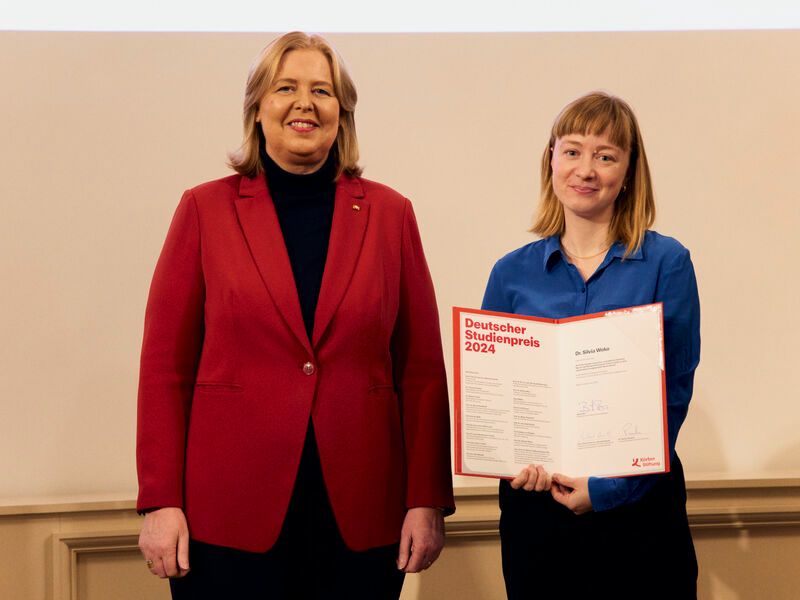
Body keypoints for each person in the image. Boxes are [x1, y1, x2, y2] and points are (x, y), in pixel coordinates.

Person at [136, 32, 454, 600]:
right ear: (258, 108)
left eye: (322, 91)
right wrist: (161, 501)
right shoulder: (203, 210)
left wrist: (425, 499)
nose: (304, 103)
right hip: (226, 517)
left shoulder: (390, 214)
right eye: (286, 88)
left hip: (360, 518)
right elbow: (165, 367)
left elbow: (422, 371)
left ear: (342, 113)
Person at [481, 91, 700, 599]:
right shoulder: (510, 273)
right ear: (551, 160)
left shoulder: (667, 262)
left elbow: (675, 392)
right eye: (573, 150)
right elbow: (495, 392)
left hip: (638, 509)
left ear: (628, 171)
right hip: (536, 512)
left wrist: (609, 489)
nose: (586, 169)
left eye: (606, 155)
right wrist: (515, 462)